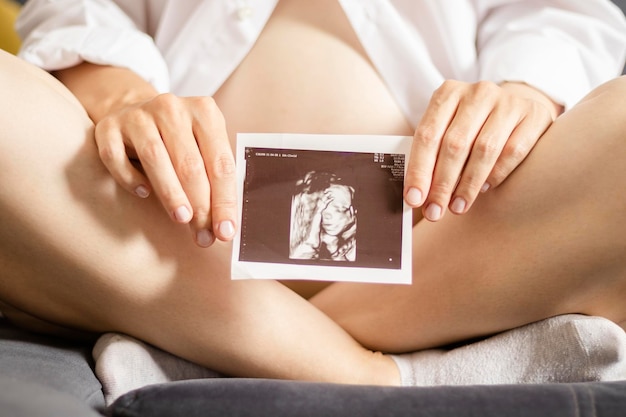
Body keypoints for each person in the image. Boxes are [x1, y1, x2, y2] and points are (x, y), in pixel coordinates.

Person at [1, 0, 626, 387]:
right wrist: (123, 97)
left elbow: (562, 12)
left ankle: (237, 340)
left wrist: (525, 91)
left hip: (450, 239)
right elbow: (78, 8)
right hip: (167, 223)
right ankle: (368, 371)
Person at [290, 171, 357, 262]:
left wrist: (335, 252)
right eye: (324, 207)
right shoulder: (319, 233)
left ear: (353, 211)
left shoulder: (360, 244)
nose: (326, 216)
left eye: (338, 208)